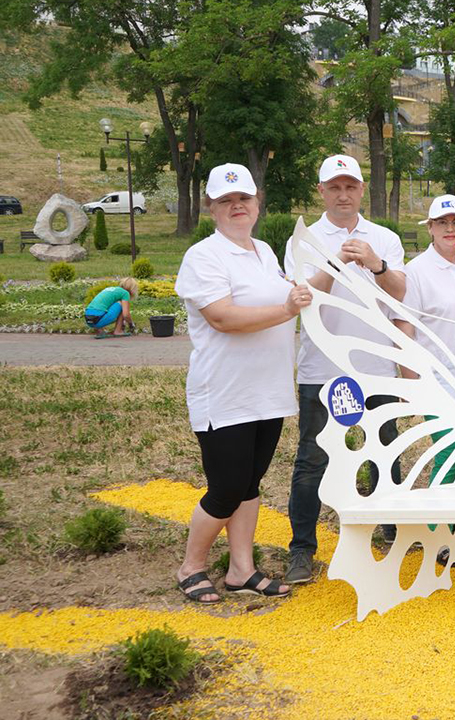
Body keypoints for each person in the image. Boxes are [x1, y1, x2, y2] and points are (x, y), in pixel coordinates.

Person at [172, 163, 313, 603]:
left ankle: (241, 569)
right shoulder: (204, 256)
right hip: (225, 392)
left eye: (244, 198)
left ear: (257, 203)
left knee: (250, 484)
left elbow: (280, 297)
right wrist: (288, 310)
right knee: (227, 486)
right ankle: (192, 565)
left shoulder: (264, 252)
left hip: (266, 391)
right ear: (211, 207)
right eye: (226, 200)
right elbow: (223, 317)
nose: (237, 206)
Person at [282, 154, 408, 586]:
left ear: (360, 190)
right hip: (322, 368)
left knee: (385, 450)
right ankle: (302, 550)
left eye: (350, 186)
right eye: (334, 187)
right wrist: (334, 265)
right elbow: (299, 296)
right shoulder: (305, 239)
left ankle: (391, 530)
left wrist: (375, 263)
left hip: (375, 367)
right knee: (313, 458)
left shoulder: (384, 238)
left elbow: (399, 292)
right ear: (321, 191)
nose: (343, 195)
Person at [395, 194, 455, 566]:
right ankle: (438, 535)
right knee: (448, 454)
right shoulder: (415, 270)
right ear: (430, 228)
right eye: (442, 223)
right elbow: (403, 327)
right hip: (436, 381)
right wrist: (411, 382)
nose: (450, 229)